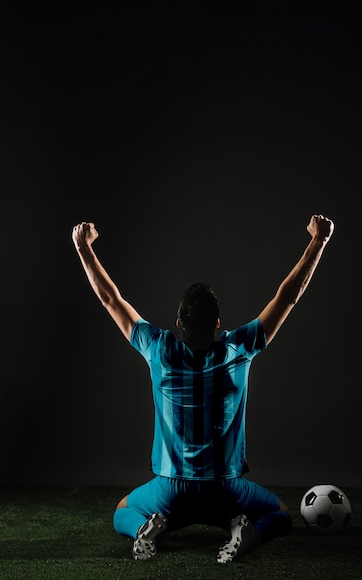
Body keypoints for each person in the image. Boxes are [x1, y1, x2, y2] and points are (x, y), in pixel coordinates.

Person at [72, 213, 334, 563]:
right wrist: (318, 241)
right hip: (225, 491)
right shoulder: (238, 348)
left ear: (179, 323)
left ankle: (147, 528)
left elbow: (111, 300)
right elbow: (288, 298)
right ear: (218, 324)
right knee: (281, 514)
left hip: (170, 490)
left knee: (123, 510)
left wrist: (83, 247)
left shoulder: (159, 349)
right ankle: (244, 530)